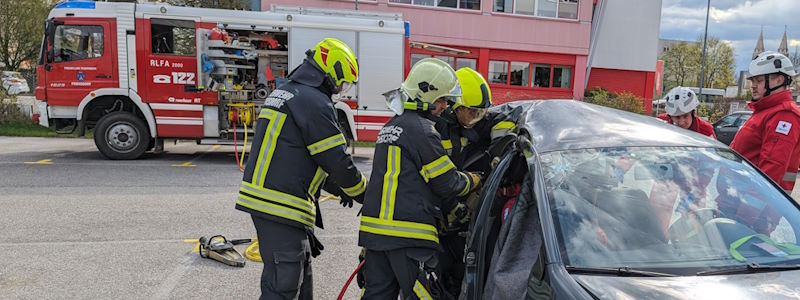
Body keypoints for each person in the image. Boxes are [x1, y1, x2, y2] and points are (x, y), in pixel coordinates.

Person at [236, 38, 367, 300]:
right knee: (282, 289)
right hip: (279, 206)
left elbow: (298, 156)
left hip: (272, 204)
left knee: (300, 281)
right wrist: (366, 193)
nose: (341, 89)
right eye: (342, 82)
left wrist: (334, 187)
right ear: (331, 73)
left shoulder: (287, 92)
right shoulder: (313, 102)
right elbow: (337, 161)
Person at [359, 58, 482, 299]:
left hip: (375, 237)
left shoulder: (390, 128)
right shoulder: (423, 131)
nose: (445, 106)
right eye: (442, 100)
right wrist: (476, 180)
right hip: (409, 238)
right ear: (426, 96)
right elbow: (448, 183)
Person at [730, 51, 800, 193]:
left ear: (779, 80)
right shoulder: (766, 111)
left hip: (752, 206)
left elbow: (771, 170)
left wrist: (747, 209)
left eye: (759, 81)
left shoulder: (784, 115)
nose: (753, 86)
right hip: (735, 195)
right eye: (753, 81)